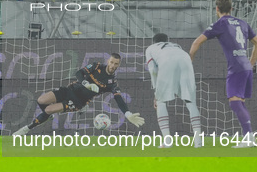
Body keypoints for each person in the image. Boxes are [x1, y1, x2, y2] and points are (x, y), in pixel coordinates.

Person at [189, 0, 257, 148]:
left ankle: (249, 137)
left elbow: (196, 42)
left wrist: (189, 62)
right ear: (231, 8)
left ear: (217, 9)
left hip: (236, 67)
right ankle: (248, 136)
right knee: (240, 102)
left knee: (235, 103)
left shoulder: (220, 24)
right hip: (246, 67)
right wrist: (251, 63)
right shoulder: (243, 23)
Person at [12, 53, 145, 136]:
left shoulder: (112, 83)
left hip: (78, 101)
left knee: (48, 109)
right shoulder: (96, 66)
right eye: (111, 62)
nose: (113, 65)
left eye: (116, 64)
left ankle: (26, 128)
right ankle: (48, 117)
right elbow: (78, 73)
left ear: (118, 65)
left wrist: (127, 114)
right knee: (41, 100)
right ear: (108, 61)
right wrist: (86, 83)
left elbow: (119, 99)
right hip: (69, 90)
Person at [145, 33, 202, 148]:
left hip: (167, 62)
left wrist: (156, 92)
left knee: (161, 101)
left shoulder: (151, 48)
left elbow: (152, 70)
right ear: (167, 40)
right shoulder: (176, 46)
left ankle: (167, 141)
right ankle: (198, 142)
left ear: (153, 41)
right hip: (186, 60)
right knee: (191, 102)